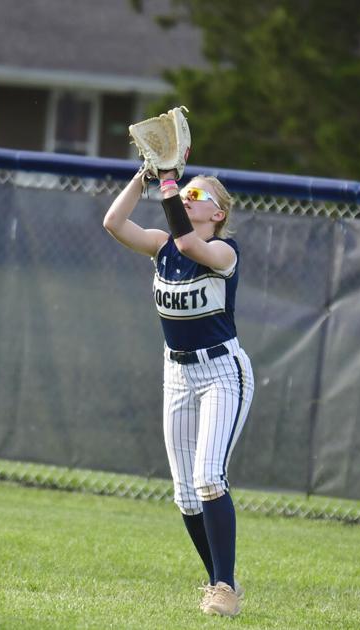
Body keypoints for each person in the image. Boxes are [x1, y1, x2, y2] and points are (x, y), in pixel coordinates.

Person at [102, 164, 255, 617]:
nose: (186, 196)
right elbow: (113, 223)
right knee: (186, 494)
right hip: (177, 376)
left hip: (222, 373)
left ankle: (224, 587)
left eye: (196, 193)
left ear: (218, 213)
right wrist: (143, 178)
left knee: (209, 477)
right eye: (184, 191)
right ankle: (219, 582)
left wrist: (171, 181)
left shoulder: (224, 251)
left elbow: (191, 243)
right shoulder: (161, 245)